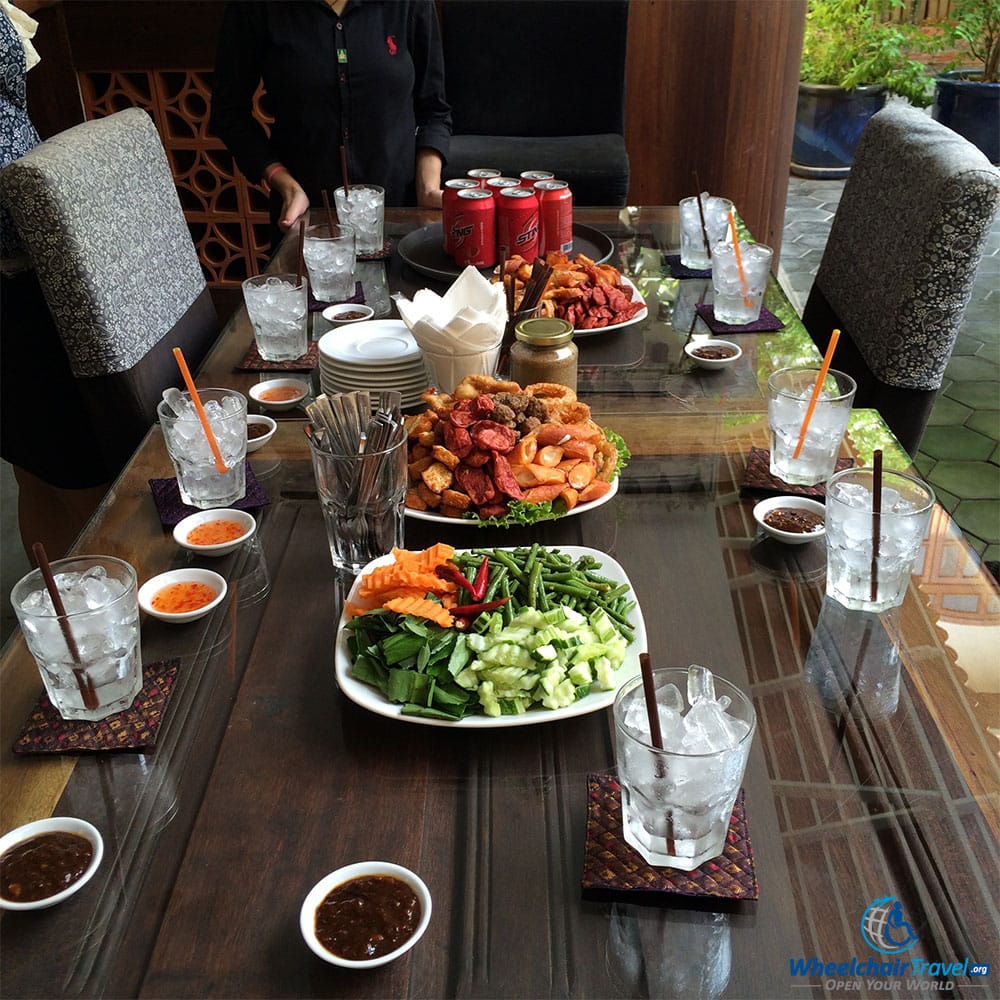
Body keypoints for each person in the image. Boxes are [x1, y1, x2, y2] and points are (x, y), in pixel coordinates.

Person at [1, 0, 110, 559]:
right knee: (80, 474)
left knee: (36, 466)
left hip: (24, 277)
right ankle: (96, 618)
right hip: (19, 283)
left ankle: (64, 620)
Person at [209, 0, 452, 248]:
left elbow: (434, 109)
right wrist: (283, 182)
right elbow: (228, 113)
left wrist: (427, 187)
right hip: (307, 219)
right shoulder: (254, 8)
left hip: (400, 216)